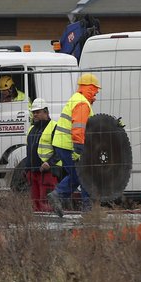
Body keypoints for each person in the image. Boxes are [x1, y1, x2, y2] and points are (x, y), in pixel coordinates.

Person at [47, 73, 101, 217]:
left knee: (77, 176)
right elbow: (78, 128)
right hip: (69, 145)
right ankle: (87, 210)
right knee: (84, 176)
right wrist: (78, 149)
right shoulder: (82, 103)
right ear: (90, 88)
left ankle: (58, 195)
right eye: (96, 89)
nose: (97, 93)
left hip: (63, 144)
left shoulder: (77, 99)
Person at [24, 98, 57, 212]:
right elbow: (29, 150)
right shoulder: (32, 129)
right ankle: (39, 229)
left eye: (38, 112)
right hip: (33, 173)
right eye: (33, 112)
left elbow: (60, 152)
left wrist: (50, 163)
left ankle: (50, 228)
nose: (35, 115)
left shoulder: (54, 127)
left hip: (47, 173)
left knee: (47, 205)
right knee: (35, 206)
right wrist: (27, 170)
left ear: (46, 112)